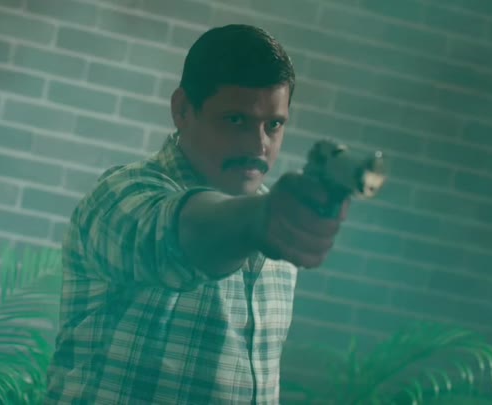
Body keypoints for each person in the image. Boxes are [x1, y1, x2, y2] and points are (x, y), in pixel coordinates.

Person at [44, 24, 349, 404]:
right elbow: (174, 234)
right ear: (183, 109)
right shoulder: (120, 196)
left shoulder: (275, 215)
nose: (258, 145)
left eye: (273, 124)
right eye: (236, 120)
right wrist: (255, 222)